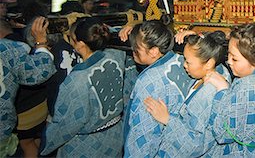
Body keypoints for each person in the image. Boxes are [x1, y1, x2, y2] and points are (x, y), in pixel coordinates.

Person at [40, 17, 138, 157]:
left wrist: (46, 142)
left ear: (80, 44)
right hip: (114, 136)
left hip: (86, 145)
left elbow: (66, 123)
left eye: (71, 38)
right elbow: (108, 32)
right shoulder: (116, 55)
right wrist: (131, 25)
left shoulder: (76, 79)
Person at [144, 31, 231, 157]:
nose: (184, 65)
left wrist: (167, 119)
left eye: (188, 62)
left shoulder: (208, 93)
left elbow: (195, 144)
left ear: (209, 63)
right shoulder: (218, 72)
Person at [204, 22, 255, 157]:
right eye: (228, 55)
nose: (229, 61)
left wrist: (223, 90)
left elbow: (223, 134)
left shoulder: (246, 90)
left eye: (235, 59)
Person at [123, 19, 194, 157]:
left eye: (136, 48)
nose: (133, 51)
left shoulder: (148, 81)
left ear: (154, 51)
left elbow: (143, 134)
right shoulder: (182, 60)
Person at [0, 17, 55, 158]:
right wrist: (41, 43)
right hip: (33, 112)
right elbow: (42, 71)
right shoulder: (11, 49)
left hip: (27, 114)